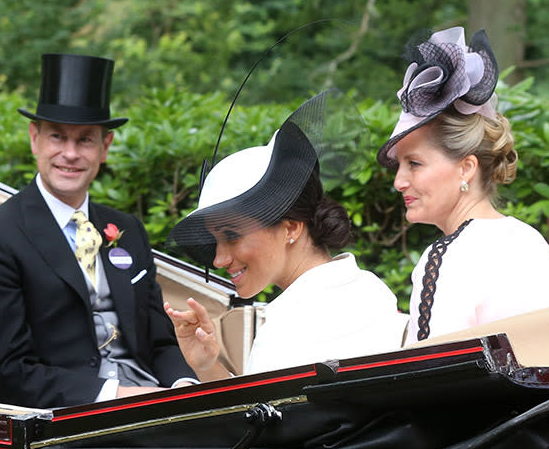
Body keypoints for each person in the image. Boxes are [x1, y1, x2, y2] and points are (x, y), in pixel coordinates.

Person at [0, 53, 195, 408]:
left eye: (85, 140)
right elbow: (7, 372)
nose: (70, 153)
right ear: (34, 139)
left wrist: (183, 387)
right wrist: (116, 396)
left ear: (105, 147)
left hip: (152, 399)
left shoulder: (127, 230)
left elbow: (160, 342)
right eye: (58, 137)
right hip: (70, 417)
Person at [165, 91, 407, 380]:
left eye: (231, 235)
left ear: (291, 227)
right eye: (215, 240)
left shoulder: (298, 319)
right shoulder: (367, 289)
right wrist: (207, 366)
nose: (218, 259)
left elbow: (265, 422)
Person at [376, 26, 549, 345]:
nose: (399, 181)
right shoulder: (531, 242)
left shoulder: (447, 259)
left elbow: (432, 384)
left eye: (414, 164)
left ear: (466, 168)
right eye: (400, 165)